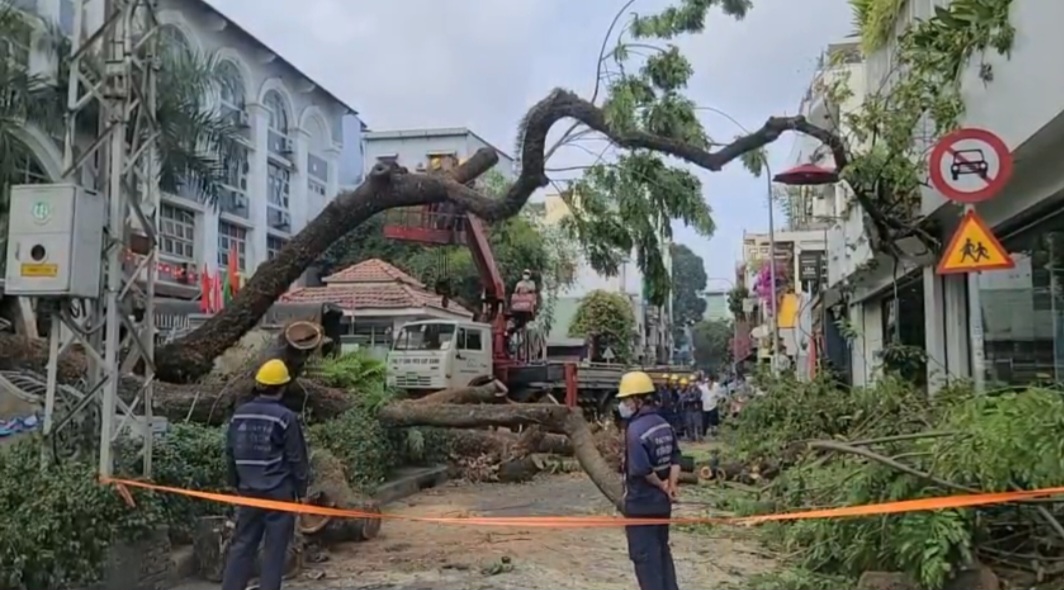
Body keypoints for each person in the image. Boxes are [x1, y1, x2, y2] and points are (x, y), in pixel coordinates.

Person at [222, 359, 310, 590]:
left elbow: (230, 452)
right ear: (282, 387)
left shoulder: (239, 415)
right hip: (279, 493)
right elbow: (296, 458)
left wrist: (235, 484)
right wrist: (301, 492)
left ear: (259, 385)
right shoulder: (284, 417)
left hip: (248, 491)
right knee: (275, 551)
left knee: (242, 545)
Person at [617, 370, 682, 590]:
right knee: (662, 553)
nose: (623, 405)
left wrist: (661, 484)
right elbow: (676, 457)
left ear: (637, 399)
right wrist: (671, 485)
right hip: (662, 505)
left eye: (626, 399)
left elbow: (641, 469)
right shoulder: (664, 425)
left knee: (645, 559)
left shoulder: (635, 430)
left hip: (641, 504)